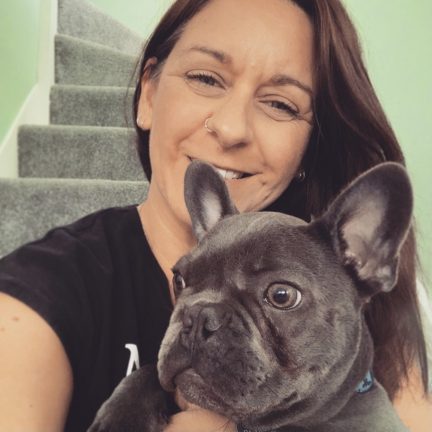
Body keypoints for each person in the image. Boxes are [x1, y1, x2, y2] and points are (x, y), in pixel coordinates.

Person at [0, 0, 430, 431]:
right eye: (205, 78)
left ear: (309, 144)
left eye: (280, 104)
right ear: (148, 93)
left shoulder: (348, 283)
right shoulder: (41, 294)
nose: (230, 128)